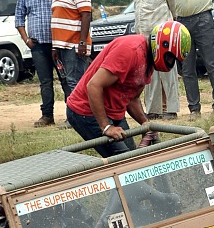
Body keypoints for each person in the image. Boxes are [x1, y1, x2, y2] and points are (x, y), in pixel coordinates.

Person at [66, 20, 191, 157]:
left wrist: (146, 124)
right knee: (124, 163)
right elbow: (94, 86)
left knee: (133, 158)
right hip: (85, 111)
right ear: (162, 46)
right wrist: (106, 127)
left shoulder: (149, 60)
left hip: (114, 112)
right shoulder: (130, 51)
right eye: (171, 58)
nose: (171, 63)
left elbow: (132, 99)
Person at [130, 0, 179, 120]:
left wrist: (172, 29)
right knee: (149, 76)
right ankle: (153, 110)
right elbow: (138, 10)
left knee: (168, 73)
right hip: (143, 37)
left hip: (163, 36)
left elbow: (174, 5)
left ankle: (171, 110)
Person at [15, 0, 59, 127]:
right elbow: (19, 19)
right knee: (45, 82)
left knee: (65, 80)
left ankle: (73, 115)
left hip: (58, 44)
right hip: (38, 45)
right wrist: (26, 39)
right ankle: (47, 115)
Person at [51, 0, 92, 103]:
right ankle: (72, 115)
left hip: (74, 46)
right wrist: (55, 47)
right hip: (62, 46)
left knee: (75, 82)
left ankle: (80, 115)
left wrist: (82, 42)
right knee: (68, 82)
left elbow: (86, 15)